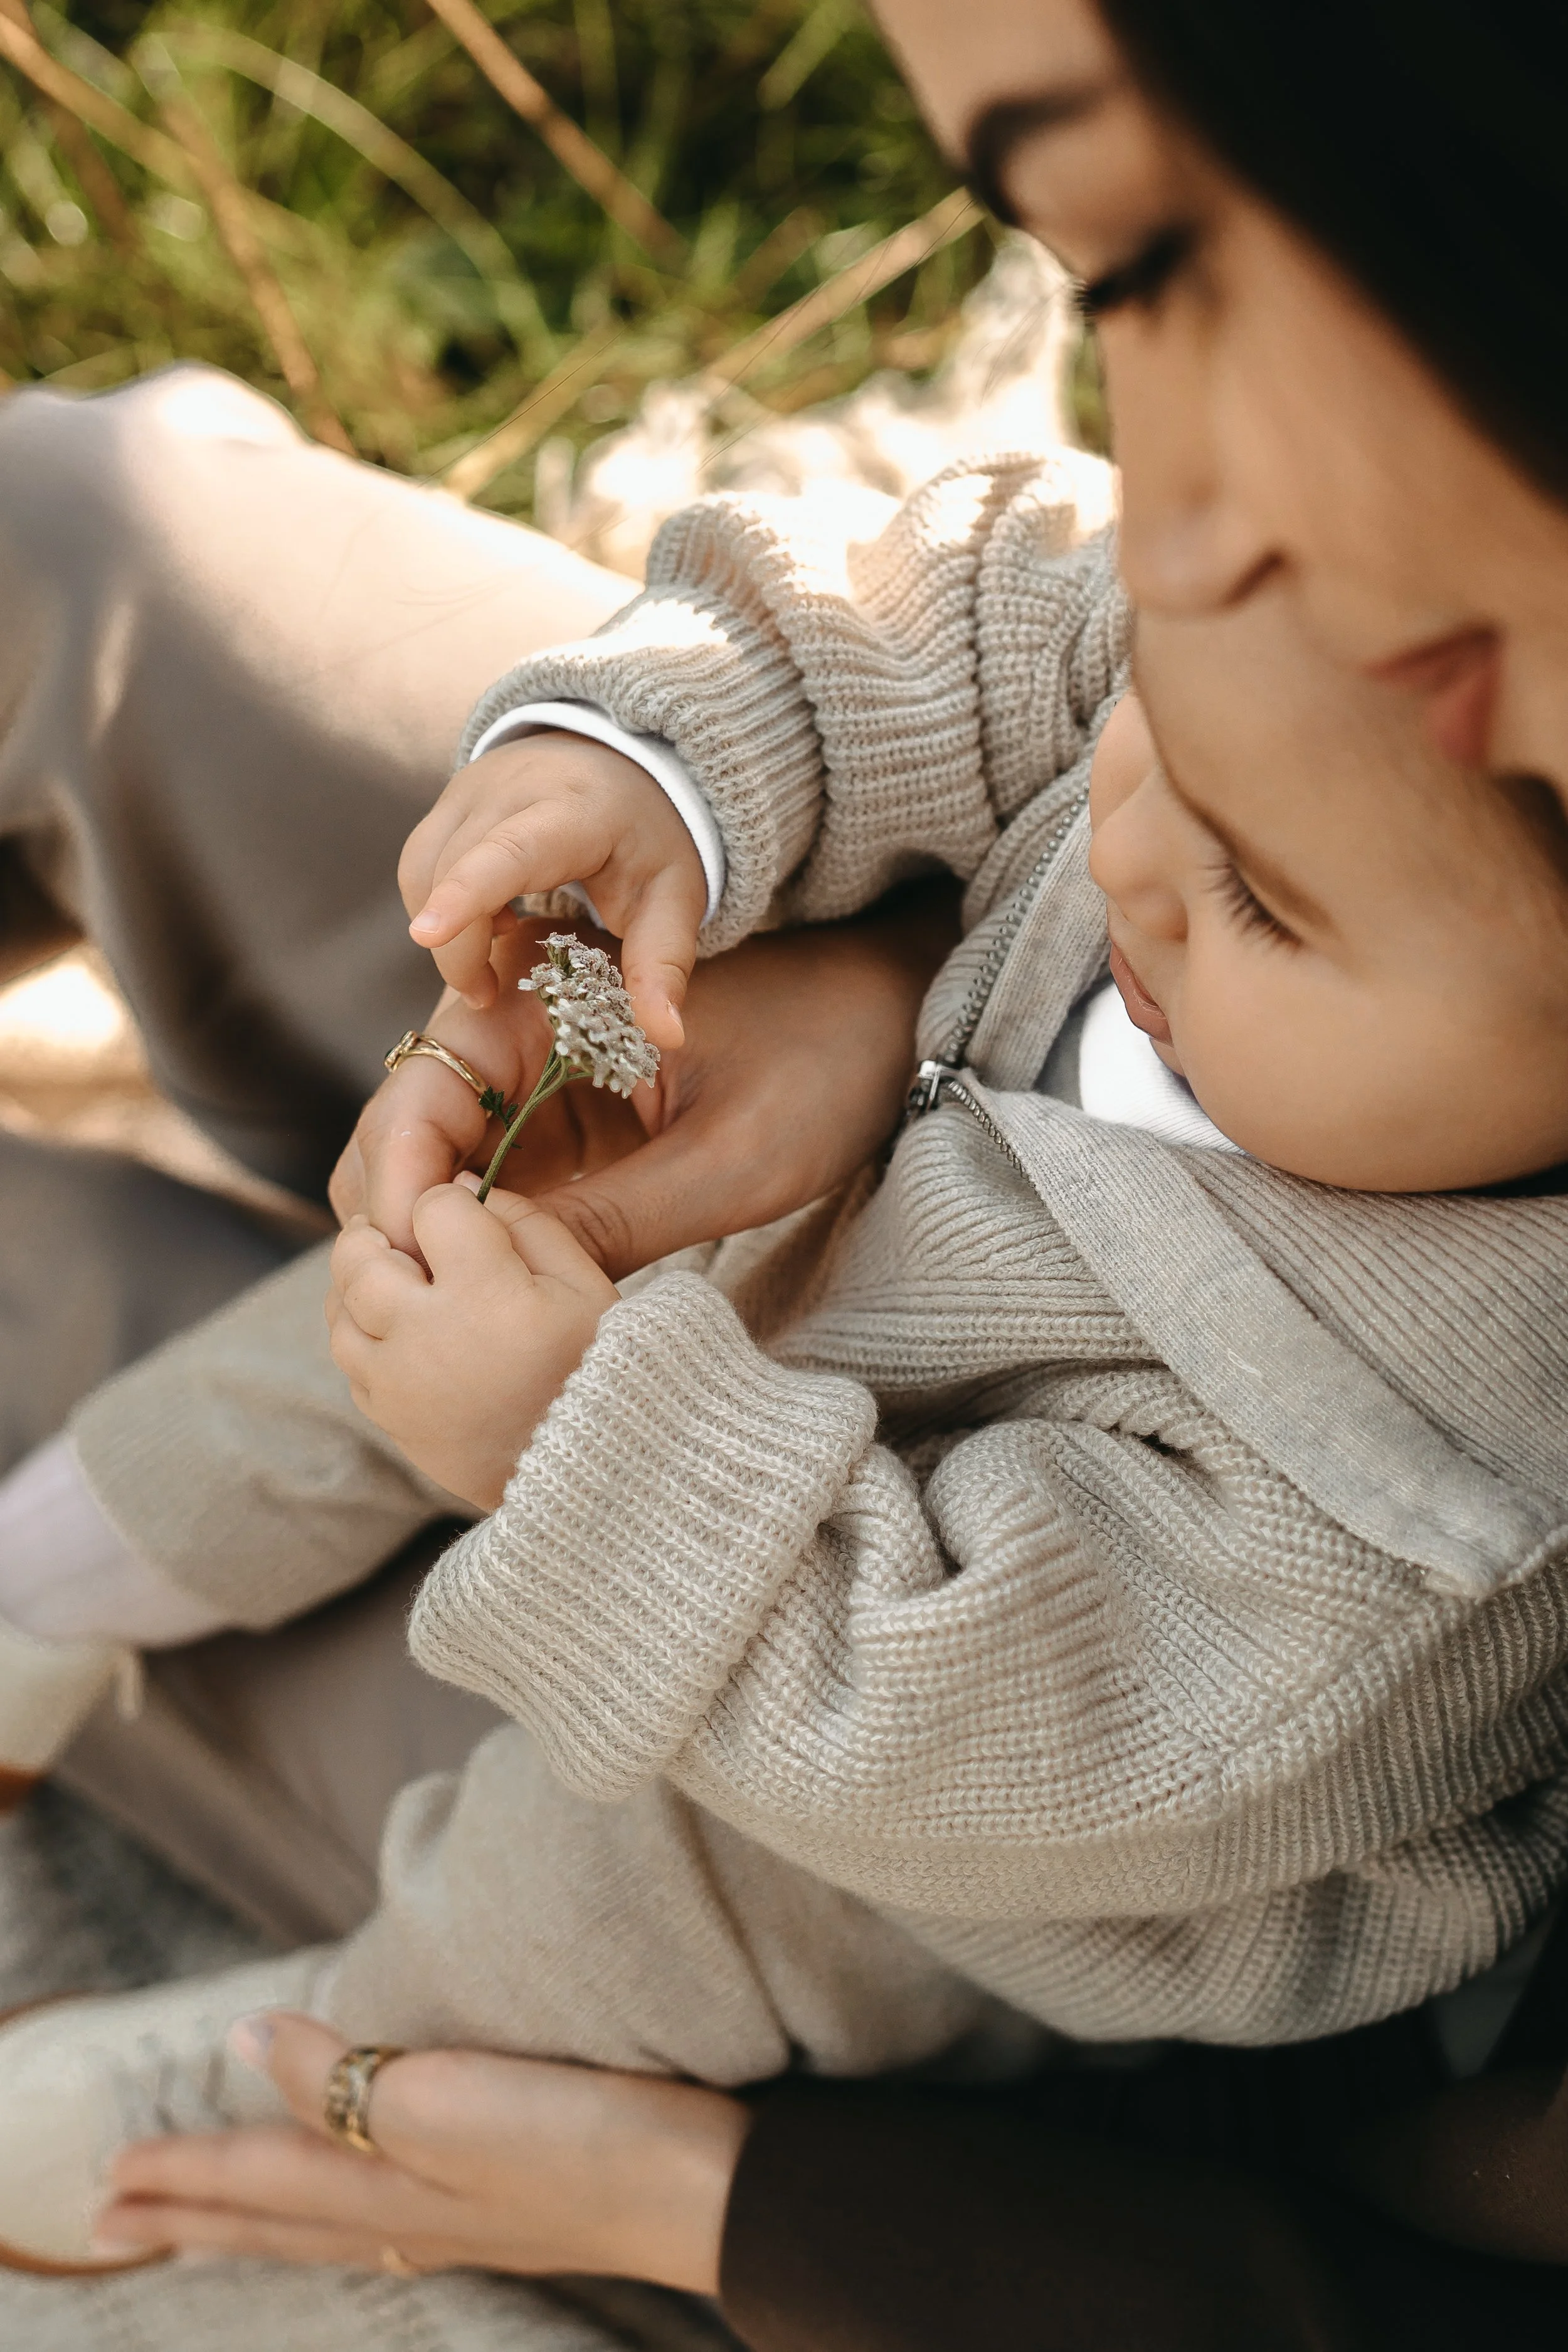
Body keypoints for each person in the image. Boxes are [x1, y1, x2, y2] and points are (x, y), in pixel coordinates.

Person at [3, 0, 1568, 2333]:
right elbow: (969, 607)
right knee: (402, 1257)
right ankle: (55, 1574)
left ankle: (313, 2072)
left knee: (622, 1905)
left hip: (894, 1831)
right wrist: (661, 778)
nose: (1121, 854)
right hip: (788, 1238)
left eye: (1251, 895)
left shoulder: (1417, 1525)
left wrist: (578, 1453)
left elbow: (978, 1743)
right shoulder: (1300, 661)